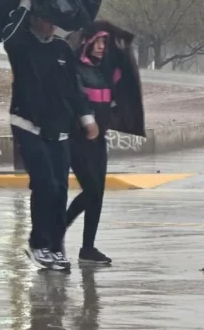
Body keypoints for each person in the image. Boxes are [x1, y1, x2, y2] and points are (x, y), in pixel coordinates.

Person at [2, 0, 99, 271]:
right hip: (27, 125)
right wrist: (25, 2)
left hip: (60, 129)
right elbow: (9, 38)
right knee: (43, 183)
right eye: (44, 18)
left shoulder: (61, 50)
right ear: (35, 18)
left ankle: (55, 247)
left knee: (59, 189)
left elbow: (73, 88)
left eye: (52, 19)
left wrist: (86, 117)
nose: (49, 24)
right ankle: (39, 244)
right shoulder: (21, 45)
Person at [65, 21, 145, 265]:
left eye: (104, 42)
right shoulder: (75, 69)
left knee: (97, 195)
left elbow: (123, 72)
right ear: (87, 42)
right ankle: (56, 232)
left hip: (99, 141)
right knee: (91, 191)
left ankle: (87, 248)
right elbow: (75, 100)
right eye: (97, 41)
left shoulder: (105, 71)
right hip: (77, 140)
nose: (101, 47)